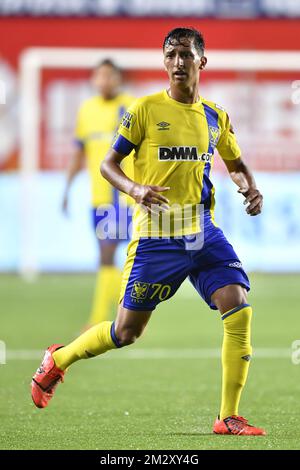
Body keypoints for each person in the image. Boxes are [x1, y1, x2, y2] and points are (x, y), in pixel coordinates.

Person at [31, 28, 265, 436]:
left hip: (202, 232)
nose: (178, 62)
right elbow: (108, 164)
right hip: (156, 238)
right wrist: (135, 188)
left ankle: (228, 416)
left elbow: (237, 163)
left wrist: (250, 188)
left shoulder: (215, 115)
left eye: (186, 55)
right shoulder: (143, 110)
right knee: (126, 332)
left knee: (238, 305)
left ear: (201, 62)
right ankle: (59, 359)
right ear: (164, 62)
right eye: (171, 55)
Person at [62, 59, 134, 327]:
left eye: (110, 76)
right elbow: (79, 152)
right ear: (94, 80)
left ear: (119, 79)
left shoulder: (130, 106)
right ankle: (126, 318)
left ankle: (98, 319)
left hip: (122, 196)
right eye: (100, 76)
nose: (105, 81)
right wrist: (67, 188)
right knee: (109, 256)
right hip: (98, 196)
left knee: (107, 254)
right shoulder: (87, 110)